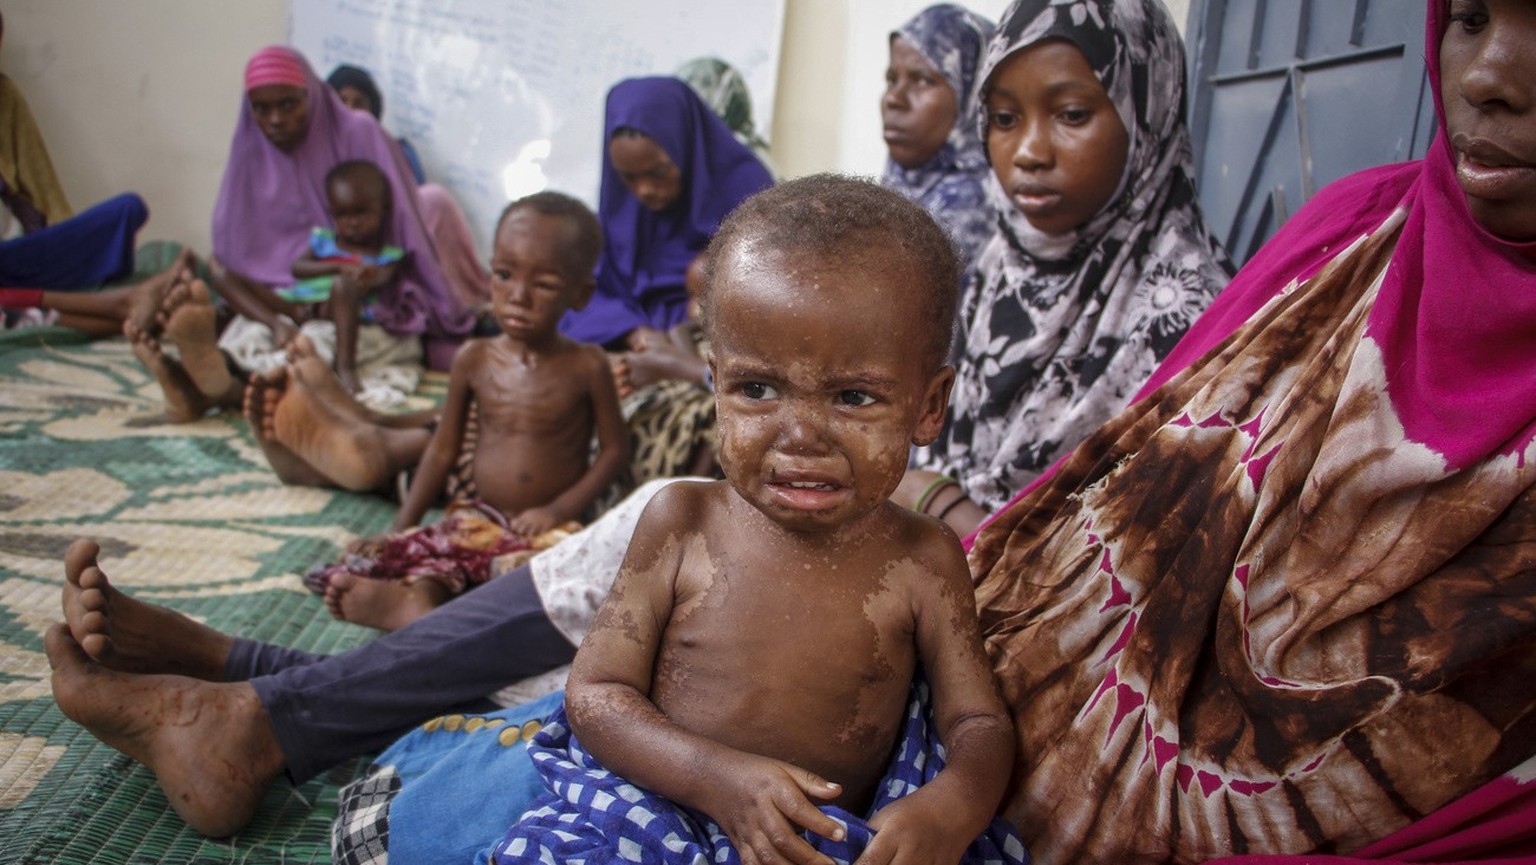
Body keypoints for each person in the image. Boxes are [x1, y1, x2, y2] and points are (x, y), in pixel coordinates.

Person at [47, 0, 1536, 857]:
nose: (1020, 149)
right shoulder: (1345, 238)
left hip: (974, 581)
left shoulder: (1172, 286)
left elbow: (1062, 499)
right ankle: (268, 676)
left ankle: (270, 685)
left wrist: (906, 501)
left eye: (1068, 112)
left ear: (1146, 123)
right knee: (669, 506)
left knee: (669, 507)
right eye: (1468, 10)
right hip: (884, 538)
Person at [492, 174, 1020, 865]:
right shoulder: (682, 521)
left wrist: (951, 806)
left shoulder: (923, 559)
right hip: (654, 808)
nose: (799, 434)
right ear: (714, 382)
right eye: (756, 388)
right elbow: (595, 695)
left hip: (825, 842)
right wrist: (717, 778)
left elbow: (977, 721)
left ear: (929, 404)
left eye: (854, 396)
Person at [906, 0, 1233, 518]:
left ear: (1146, 111)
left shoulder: (1191, 310)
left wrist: (939, 506)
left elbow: (1141, 549)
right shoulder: (1003, 261)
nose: (1030, 151)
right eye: (1005, 118)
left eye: (1072, 115)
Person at [308, 191, 629, 632]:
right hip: (479, 516)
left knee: (549, 583)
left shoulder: (587, 365)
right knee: (435, 555)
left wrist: (557, 509)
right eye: (503, 274)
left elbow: (614, 452)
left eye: (545, 284)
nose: (518, 296)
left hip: (545, 529)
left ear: (580, 293)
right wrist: (402, 527)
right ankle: (414, 603)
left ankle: (455, 617)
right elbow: (442, 450)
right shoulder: (474, 358)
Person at [127, 45, 472, 422]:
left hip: (356, 296)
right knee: (222, 277)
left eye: (289, 105)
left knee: (316, 348)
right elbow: (238, 249)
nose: (275, 120)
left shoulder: (359, 133)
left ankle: (213, 386)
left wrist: (372, 275)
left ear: (312, 94)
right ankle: (211, 373)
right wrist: (278, 311)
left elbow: (402, 231)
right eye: (262, 109)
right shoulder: (251, 148)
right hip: (284, 297)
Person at [561, 76, 773, 350]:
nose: (644, 190)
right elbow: (588, 291)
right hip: (634, 336)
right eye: (628, 178)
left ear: (686, 146)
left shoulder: (750, 192)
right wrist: (634, 333)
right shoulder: (619, 210)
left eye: (658, 172)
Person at [325, 62, 492, 312]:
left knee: (435, 199)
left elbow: (413, 212)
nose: (350, 112)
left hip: (394, 239)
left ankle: (464, 299)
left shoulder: (396, 151)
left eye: (359, 103)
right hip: (341, 244)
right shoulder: (317, 155)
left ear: (374, 111)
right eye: (341, 101)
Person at [882, 3, 996, 271]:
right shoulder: (902, 179)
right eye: (891, 79)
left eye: (922, 80)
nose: (893, 99)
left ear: (974, 93)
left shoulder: (978, 204)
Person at [284, 159, 405, 394]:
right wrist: (337, 268)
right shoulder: (324, 241)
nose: (352, 223)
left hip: (339, 308)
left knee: (343, 286)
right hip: (302, 304)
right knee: (228, 279)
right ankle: (273, 324)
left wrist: (362, 277)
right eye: (342, 215)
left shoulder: (387, 255)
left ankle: (345, 365)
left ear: (384, 209)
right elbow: (298, 268)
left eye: (361, 212)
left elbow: (381, 280)